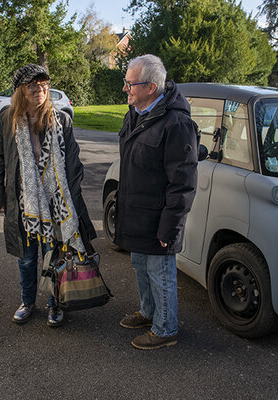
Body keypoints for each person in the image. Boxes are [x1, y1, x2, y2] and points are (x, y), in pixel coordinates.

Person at [0, 64, 96, 327]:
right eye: (32, 85)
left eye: (44, 84)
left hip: (54, 203)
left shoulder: (61, 120)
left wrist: (70, 200)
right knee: (26, 260)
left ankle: (54, 304)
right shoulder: (7, 118)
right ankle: (27, 302)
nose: (40, 89)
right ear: (20, 91)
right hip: (23, 202)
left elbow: (74, 164)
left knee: (53, 256)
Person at [115, 54, 198, 350]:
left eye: (130, 84)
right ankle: (148, 312)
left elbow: (183, 183)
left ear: (151, 87)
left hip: (158, 219)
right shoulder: (136, 113)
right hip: (137, 215)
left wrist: (170, 227)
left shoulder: (176, 123)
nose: (125, 89)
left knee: (160, 273)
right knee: (142, 267)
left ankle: (165, 329)